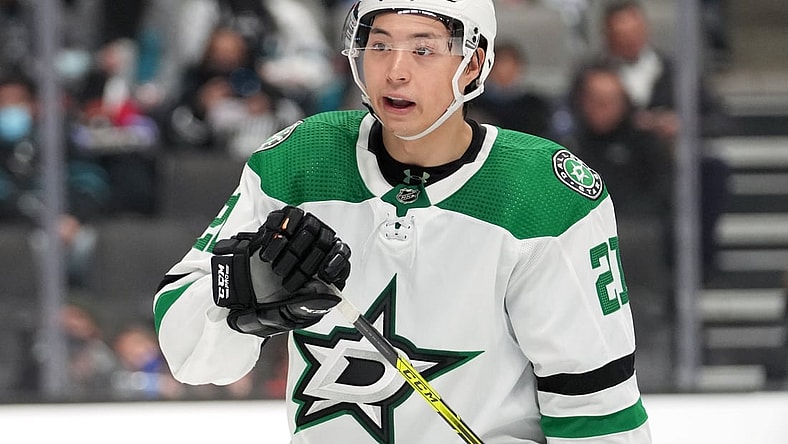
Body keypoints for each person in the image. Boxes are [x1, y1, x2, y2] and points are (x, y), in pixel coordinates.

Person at [154, 1, 652, 442]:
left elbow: (597, 409)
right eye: (379, 45)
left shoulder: (547, 196)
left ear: (473, 62)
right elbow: (188, 353)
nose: (395, 71)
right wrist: (249, 297)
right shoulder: (299, 161)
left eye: (423, 49)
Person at [600, 0, 731, 281]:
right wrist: (626, 122)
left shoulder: (676, 72)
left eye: (633, 32)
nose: (629, 41)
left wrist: (681, 124)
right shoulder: (597, 75)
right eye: (621, 35)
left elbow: (718, 117)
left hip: (670, 166)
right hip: (620, 164)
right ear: (608, 37)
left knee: (711, 170)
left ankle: (699, 262)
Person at [468, 40, 554, 139]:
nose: (505, 70)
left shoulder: (534, 106)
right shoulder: (473, 101)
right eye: (502, 64)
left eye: (511, 65)